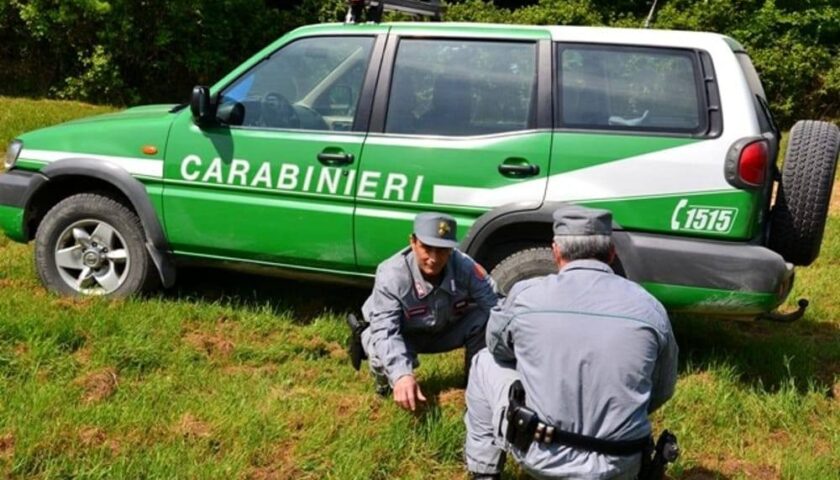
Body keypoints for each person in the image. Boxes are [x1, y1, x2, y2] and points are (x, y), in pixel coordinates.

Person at [464, 205, 679, 479]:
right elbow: (661, 389)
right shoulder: (650, 308)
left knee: (484, 361)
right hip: (623, 463)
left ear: (556, 251)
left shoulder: (526, 295)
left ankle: (484, 473)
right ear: (611, 253)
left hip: (542, 457)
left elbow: (497, 348)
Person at [347, 212, 498, 412]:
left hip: (446, 329)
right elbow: (386, 332)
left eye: (443, 250)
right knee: (376, 344)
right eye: (427, 248)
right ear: (413, 242)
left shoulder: (465, 266)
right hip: (405, 335)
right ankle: (385, 387)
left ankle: (475, 383)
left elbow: (496, 306)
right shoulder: (391, 274)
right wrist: (402, 375)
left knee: (486, 317)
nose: (434, 259)